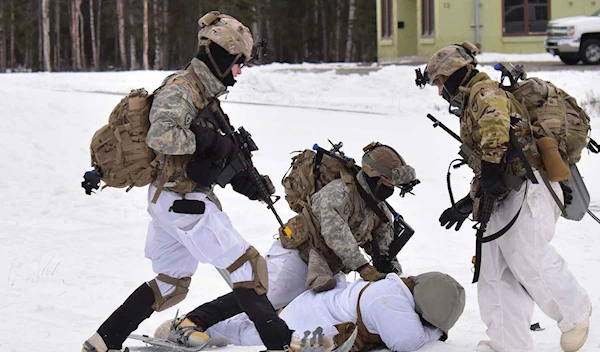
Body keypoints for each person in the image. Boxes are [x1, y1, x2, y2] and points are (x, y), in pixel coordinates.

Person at [81, 11, 293, 352]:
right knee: (249, 268)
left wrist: (243, 179)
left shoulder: (203, 94)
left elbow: (208, 155)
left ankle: (103, 340)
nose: (239, 71)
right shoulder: (181, 88)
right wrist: (208, 142)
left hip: (172, 201)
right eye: (238, 62)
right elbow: (161, 137)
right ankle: (282, 343)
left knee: (170, 285)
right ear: (221, 54)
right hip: (182, 202)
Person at [156, 143, 418, 348]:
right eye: (388, 184)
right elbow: (334, 230)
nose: (391, 191)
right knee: (263, 295)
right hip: (297, 256)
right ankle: (190, 322)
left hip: (324, 270)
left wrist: (390, 272)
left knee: (295, 313)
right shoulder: (338, 191)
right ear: (373, 176)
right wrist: (363, 267)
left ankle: (227, 332)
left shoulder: (379, 211)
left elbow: (383, 248)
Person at [426, 41, 592, 352]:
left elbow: (496, 133)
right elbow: (489, 159)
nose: (439, 92)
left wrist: (489, 171)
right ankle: (508, 341)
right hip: (506, 191)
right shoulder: (473, 98)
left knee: (527, 254)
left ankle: (575, 314)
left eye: (439, 83)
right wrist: (468, 201)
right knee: (495, 270)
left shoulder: (484, 93)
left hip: (530, 187)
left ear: (452, 74)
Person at [156, 271, 466, 352]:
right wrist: (434, 330)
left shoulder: (395, 289)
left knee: (263, 318)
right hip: (308, 321)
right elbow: (407, 342)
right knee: (252, 333)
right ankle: (191, 329)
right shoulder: (390, 303)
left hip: (314, 306)